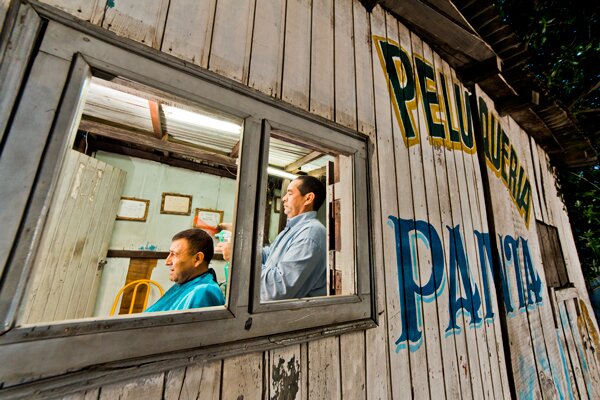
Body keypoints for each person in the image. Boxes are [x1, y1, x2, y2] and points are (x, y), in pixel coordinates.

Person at [218, 175, 327, 301]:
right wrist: (240, 249)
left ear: (308, 198)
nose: (283, 199)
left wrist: (239, 259)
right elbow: (267, 255)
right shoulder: (293, 229)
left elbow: (276, 289)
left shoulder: (310, 234)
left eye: (290, 194)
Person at [145, 229, 225, 312]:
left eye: (174, 254)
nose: (167, 262)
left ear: (197, 259)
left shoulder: (203, 292)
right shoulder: (185, 284)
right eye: (170, 253)